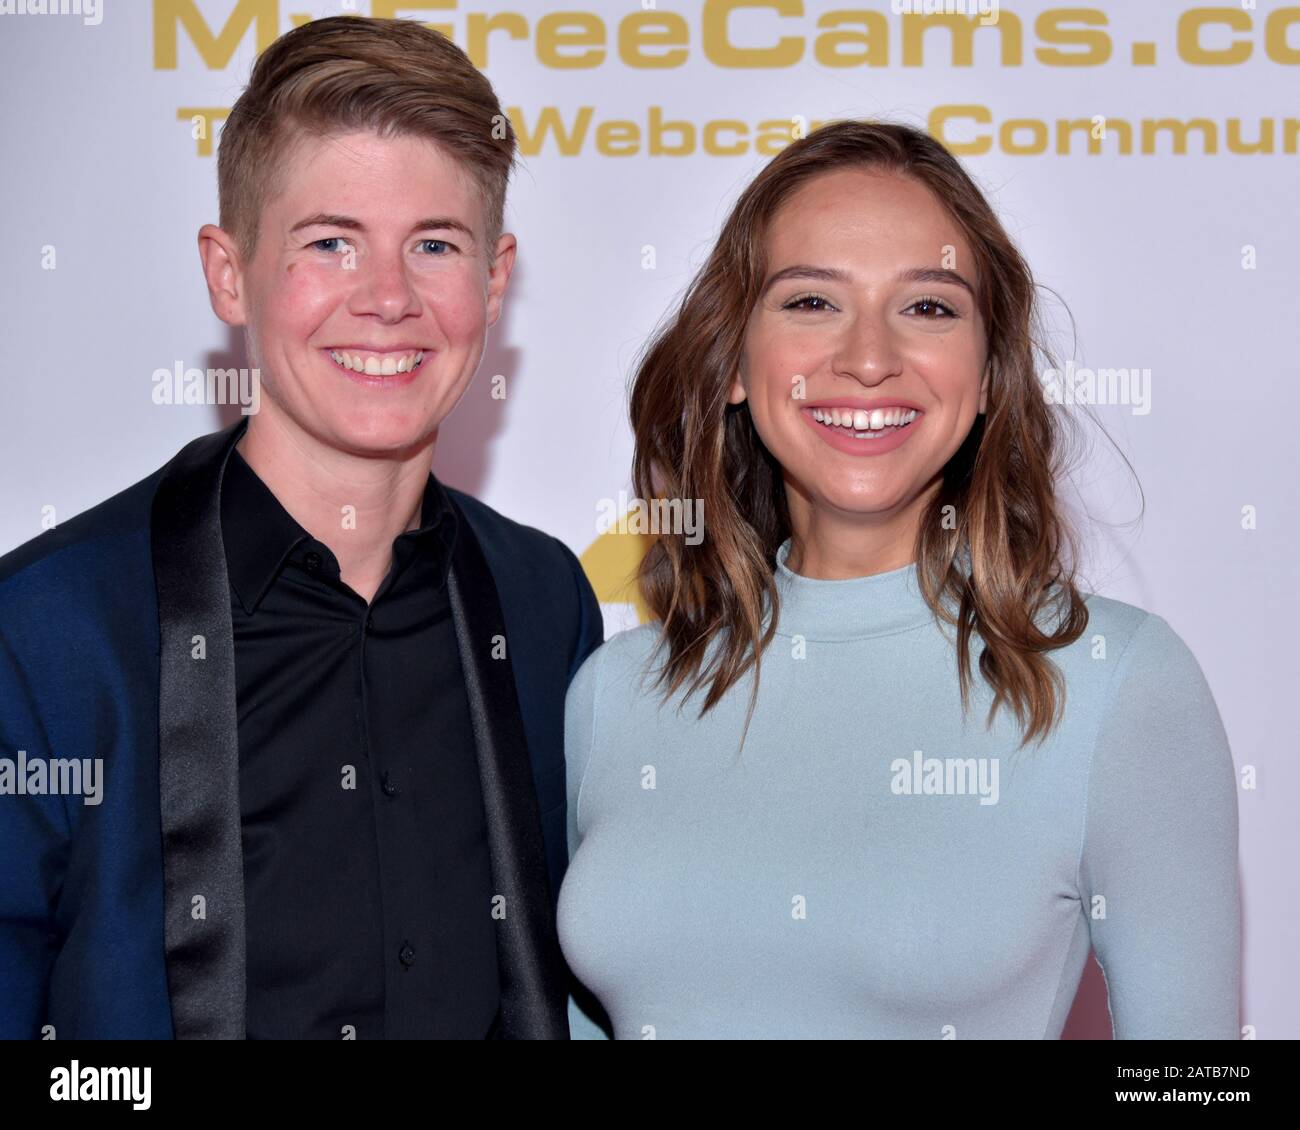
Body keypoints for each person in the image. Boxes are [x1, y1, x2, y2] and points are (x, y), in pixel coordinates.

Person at [559, 120, 1240, 1040]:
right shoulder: (618, 693)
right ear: (732, 363)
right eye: (810, 302)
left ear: (991, 371)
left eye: (928, 307)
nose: (869, 358)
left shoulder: (1115, 684)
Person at [0, 16, 601, 1040]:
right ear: (228, 272)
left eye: (435, 245)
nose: (387, 299)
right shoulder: (52, 626)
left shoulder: (544, 603)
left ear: (496, 278)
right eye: (330, 242)